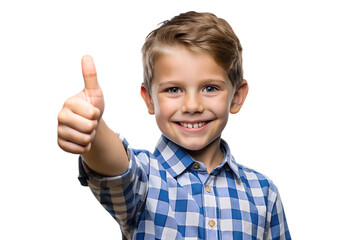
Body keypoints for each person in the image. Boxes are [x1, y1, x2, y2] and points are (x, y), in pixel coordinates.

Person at [57, 11, 291, 240]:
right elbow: (115, 166)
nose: (192, 105)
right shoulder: (145, 180)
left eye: (210, 88)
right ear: (149, 99)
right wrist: (93, 129)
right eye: (173, 89)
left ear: (237, 96)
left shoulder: (263, 193)